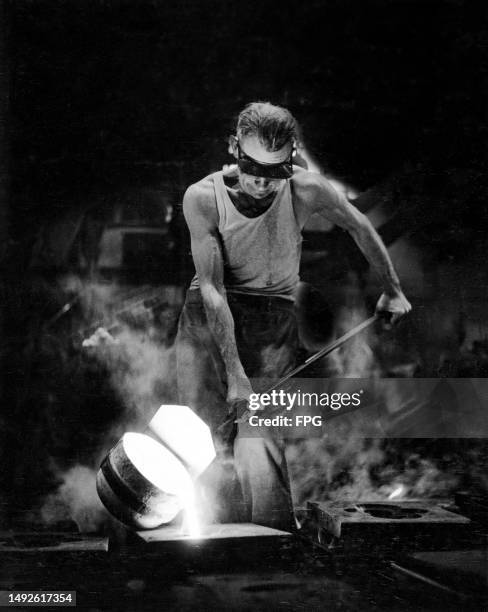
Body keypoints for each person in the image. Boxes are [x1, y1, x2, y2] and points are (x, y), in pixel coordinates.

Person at [175, 101, 411, 531]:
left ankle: (270, 541)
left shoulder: (306, 189)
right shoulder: (203, 197)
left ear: (292, 156)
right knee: (202, 431)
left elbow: (359, 225)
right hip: (209, 315)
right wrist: (235, 373)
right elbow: (212, 287)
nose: (262, 182)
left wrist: (392, 291)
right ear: (233, 147)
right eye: (252, 168)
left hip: (272, 318)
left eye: (275, 171)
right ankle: (199, 543)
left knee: (259, 432)